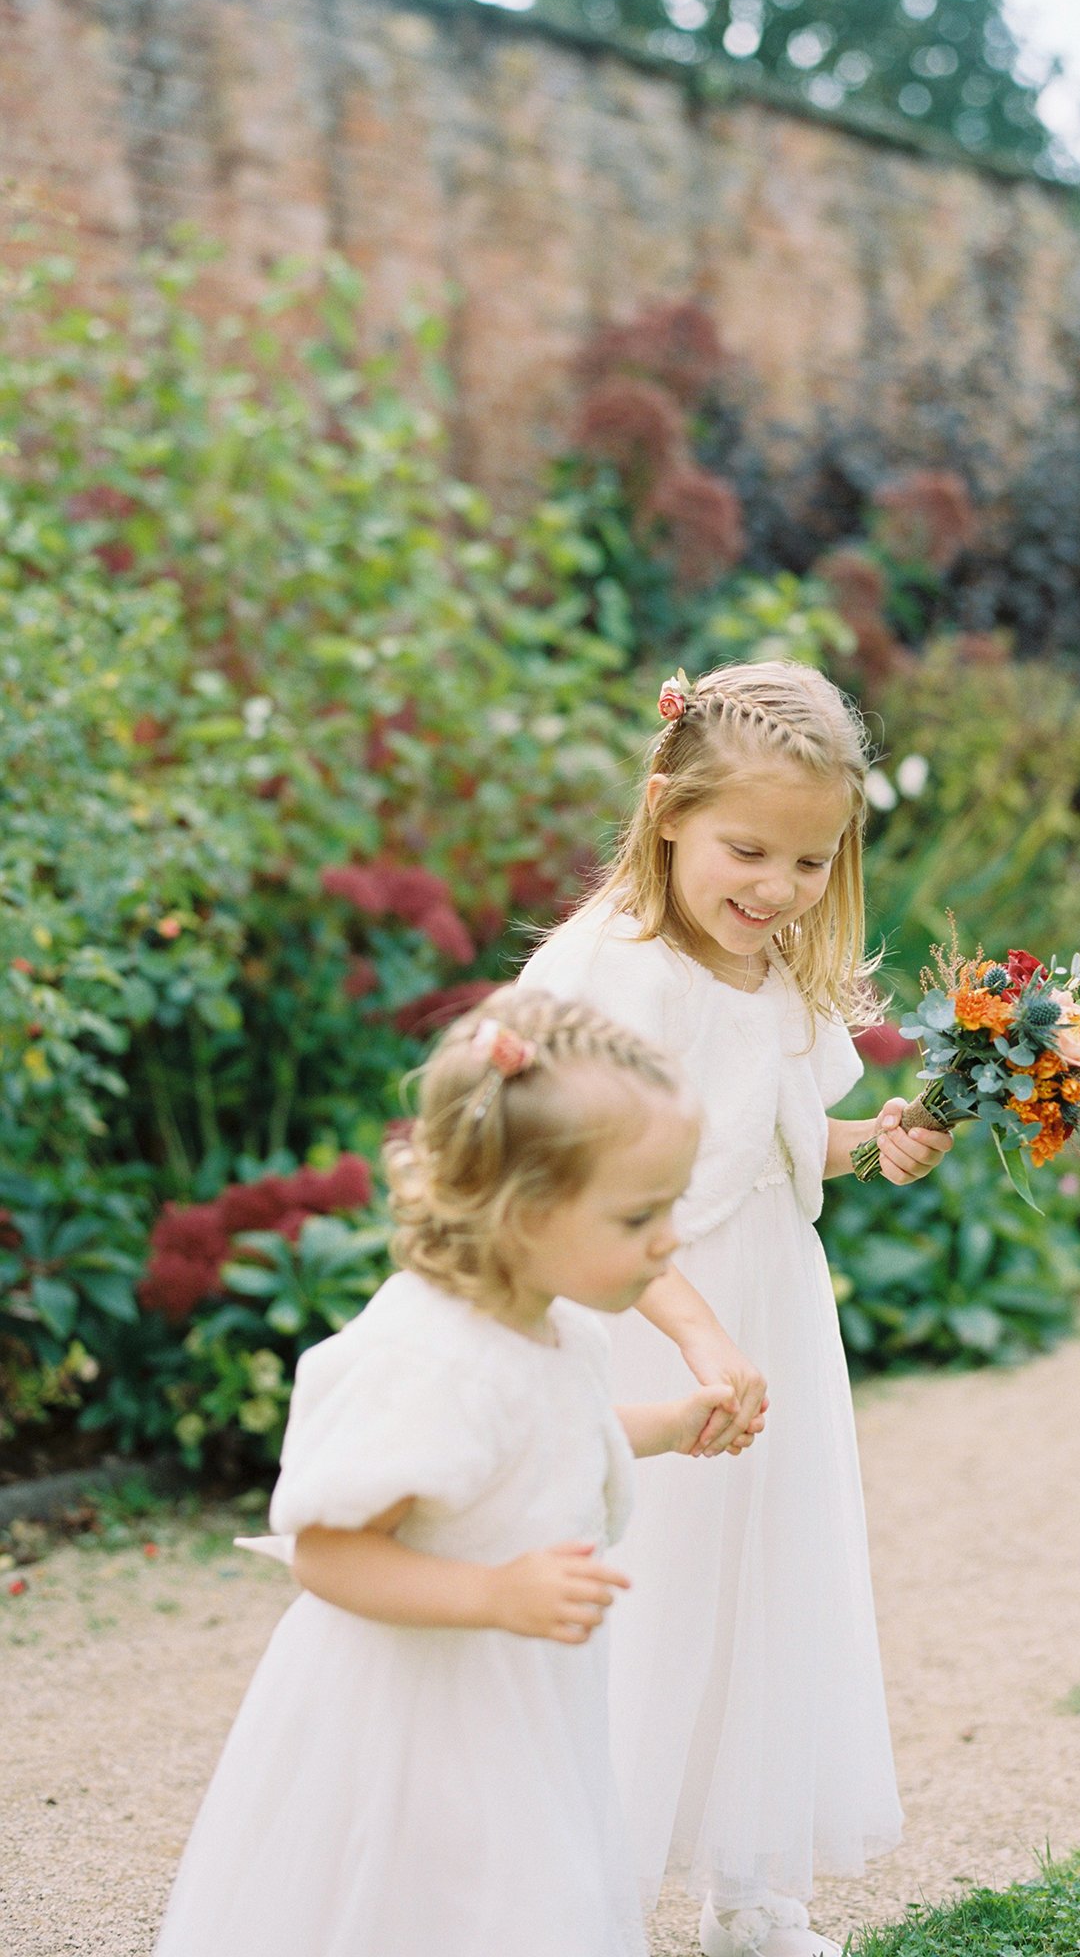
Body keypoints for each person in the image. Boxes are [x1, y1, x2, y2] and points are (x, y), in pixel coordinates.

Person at [153, 987, 758, 1957]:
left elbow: (546, 1436)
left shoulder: (551, 1322)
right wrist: (492, 1590)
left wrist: (670, 1424)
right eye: (639, 1213)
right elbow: (328, 1550)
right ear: (515, 1212)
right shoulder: (425, 1355)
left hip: (512, 1690)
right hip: (418, 1702)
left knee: (520, 1897)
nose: (668, 1239)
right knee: (427, 1906)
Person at [521, 660, 953, 1957]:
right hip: (640, 1321)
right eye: (748, 850)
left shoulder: (772, 978)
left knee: (762, 1584)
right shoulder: (616, 973)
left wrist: (873, 1135)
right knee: (639, 1594)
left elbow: (773, 1142)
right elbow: (585, 1195)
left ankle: (750, 1892)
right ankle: (581, 1899)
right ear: (667, 813)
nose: (777, 889)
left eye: (813, 864)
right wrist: (697, 1332)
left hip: (767, 1308)